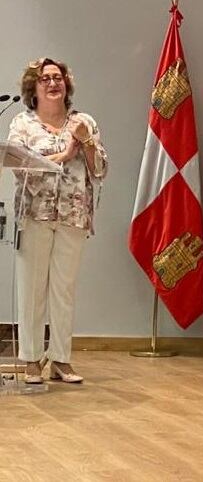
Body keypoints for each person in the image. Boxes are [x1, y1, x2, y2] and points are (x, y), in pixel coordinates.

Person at [8, 57, 108, 385]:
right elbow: (21, 167)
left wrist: (87, 142)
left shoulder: (83, 122)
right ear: (33, 88)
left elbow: (100, 169)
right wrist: (64, 156)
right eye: (45, 79)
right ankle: (32, 359)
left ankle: (61, 359)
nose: (53, 83)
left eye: (58, 78)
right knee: (32, 289)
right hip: (33, 216)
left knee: (64, 290)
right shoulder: (22, 125)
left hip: (73, 215)